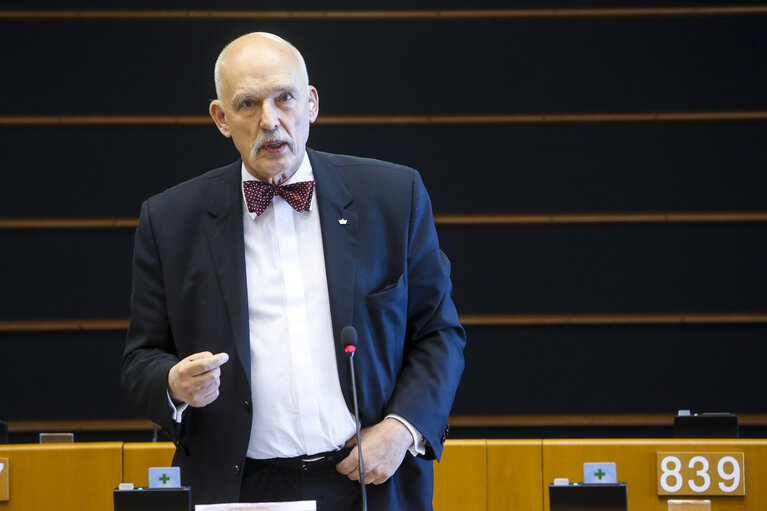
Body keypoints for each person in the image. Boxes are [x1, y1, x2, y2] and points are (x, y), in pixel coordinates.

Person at [121, 32, 465, 510]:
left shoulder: (392, 196)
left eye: (284, 98)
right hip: (239, 487)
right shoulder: (170, 220)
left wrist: (401, 429)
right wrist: (173, 385)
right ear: (221, 118)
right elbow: (141, 359)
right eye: (247, 104)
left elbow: (439, 334)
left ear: (311, 103)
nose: (270, 121)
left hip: (371, 482)